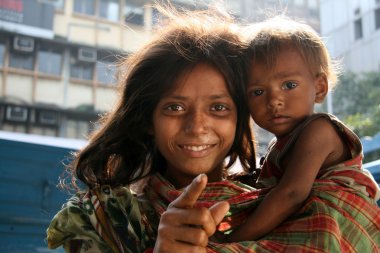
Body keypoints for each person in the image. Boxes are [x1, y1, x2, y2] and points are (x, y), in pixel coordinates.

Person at [46, 6, 259, 253]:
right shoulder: (104, 220)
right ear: (148, 120)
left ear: (241, 118)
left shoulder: (276, 209)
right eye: (175, 107)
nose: (197, 126)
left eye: (219, 107)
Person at [223, 16, 380, 251]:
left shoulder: (320, 130)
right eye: (258, 91)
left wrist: (233, 239)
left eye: (289, 85)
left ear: (319, 88)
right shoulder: (278, 146)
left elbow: (291, 194)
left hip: (335, 230)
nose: (274, 100)